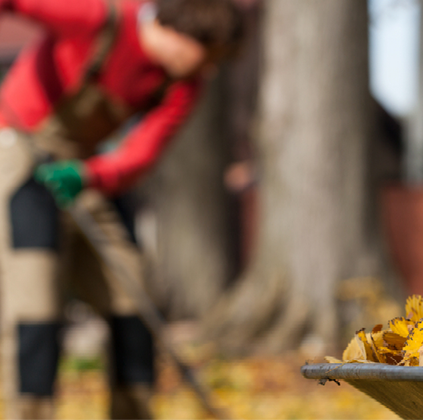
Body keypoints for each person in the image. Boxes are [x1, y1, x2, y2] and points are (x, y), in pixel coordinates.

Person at [0, 0, 243, 418]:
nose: (211, 69)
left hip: (86, 169)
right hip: (22, 154)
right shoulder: (100, 19)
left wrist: (88, 175)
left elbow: (141, 154)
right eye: (211, 55)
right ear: (183, 34)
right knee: (35, 304)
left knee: (134, 296)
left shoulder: (182, 83)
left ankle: (133, 411)